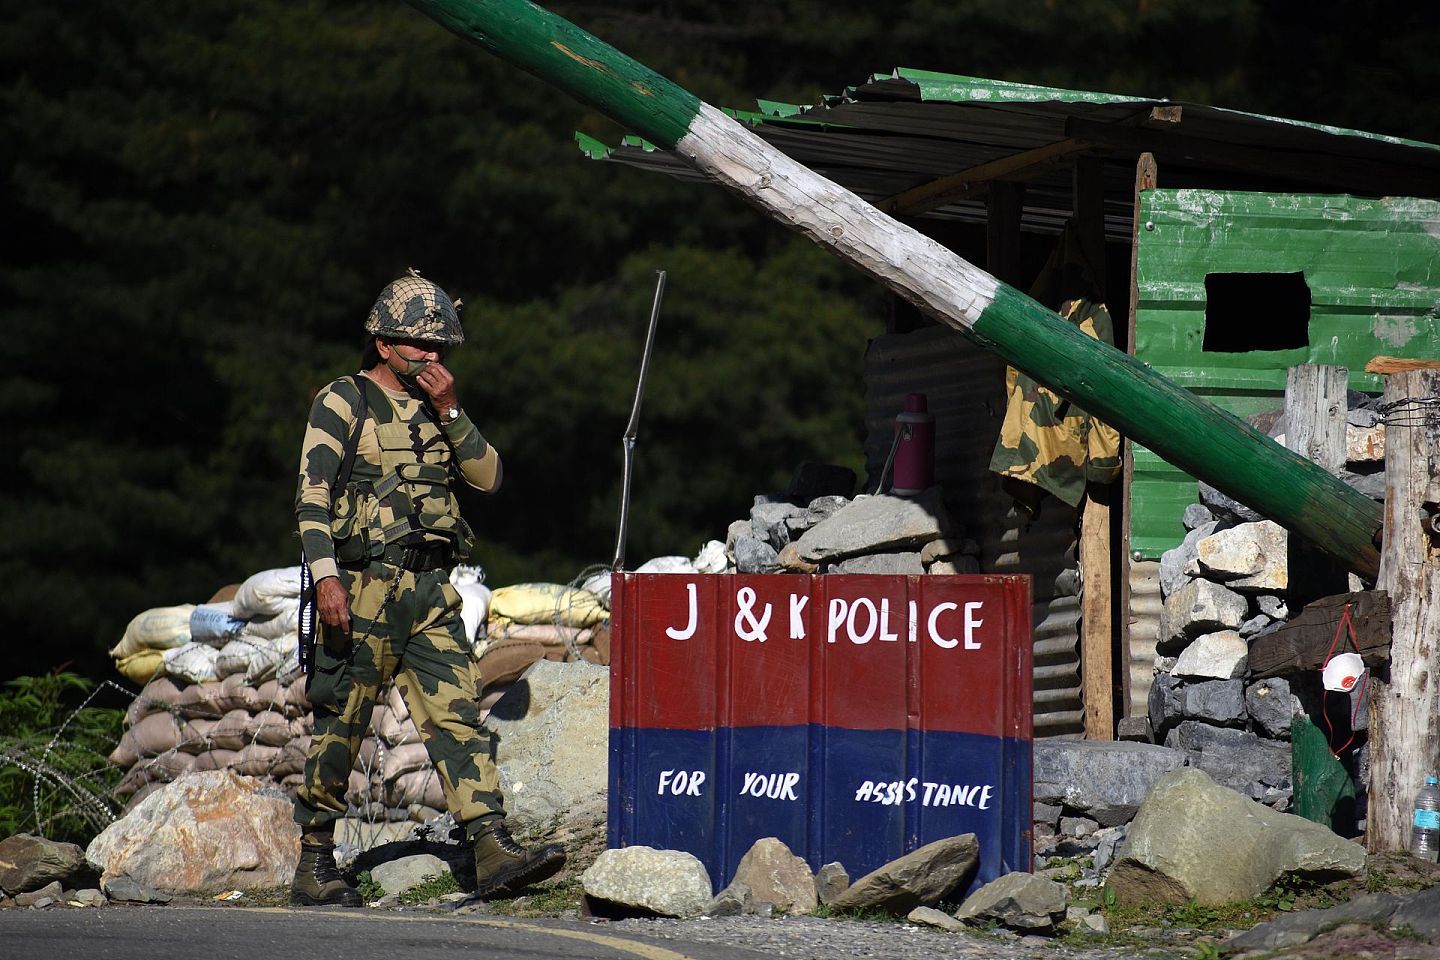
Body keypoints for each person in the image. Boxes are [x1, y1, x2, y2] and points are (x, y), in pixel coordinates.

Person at [289, 270, 565, 906]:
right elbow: (311, 496)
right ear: (385, 345)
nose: (434, 358)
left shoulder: (441, 411)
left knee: (458, 719)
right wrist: (326, 577)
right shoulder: (343, 401)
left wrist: (451, 410)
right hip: (361, 592)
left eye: (442, 348)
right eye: (421, 346)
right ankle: (314, 861)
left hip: (430, 591)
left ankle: (490, 846)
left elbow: (489, 478)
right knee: (343, 724)